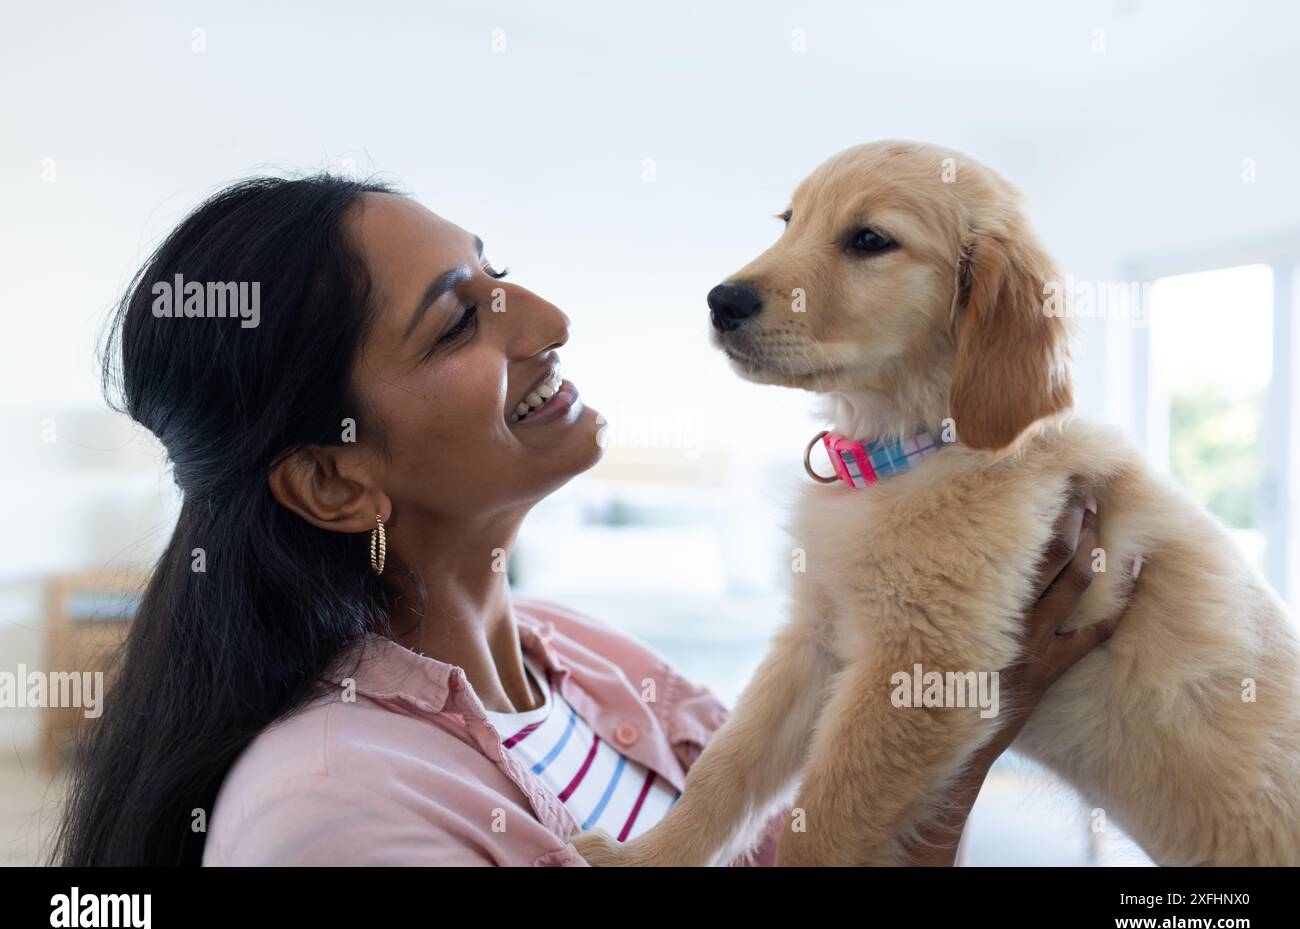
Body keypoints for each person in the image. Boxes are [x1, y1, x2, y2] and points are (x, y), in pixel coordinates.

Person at [52, 176, 1129, 866]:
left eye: (500, 274)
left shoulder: (591, 663)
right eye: (457, 322)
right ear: (336, 485)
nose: (552, 322)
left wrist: (962, 726)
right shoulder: (332, 812)